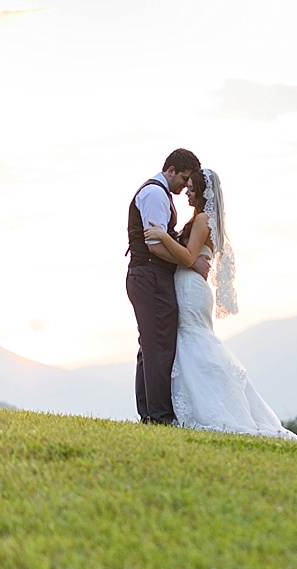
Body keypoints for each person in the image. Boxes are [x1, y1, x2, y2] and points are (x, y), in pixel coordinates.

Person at [144, 168, 297, 441]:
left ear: (205, 192)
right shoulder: (201, 219)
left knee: (195, 340)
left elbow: (187, 256)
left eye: (193, 188)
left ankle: (212, 407)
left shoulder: (204, 219)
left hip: (190, 287)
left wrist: (163, 236)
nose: (188, 193)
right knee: (190, 340)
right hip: (189, 285)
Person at [125, 148, 206, 426]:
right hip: (150, 275)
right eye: (184, 178)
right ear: (171, 170)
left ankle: (149, 412)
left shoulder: (159, 193)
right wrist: (189, 262)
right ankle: (158, 416)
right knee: (159, 344)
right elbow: (155, 246)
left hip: (147, 275)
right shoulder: (155, 194)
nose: (185, 186)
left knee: (150, 345)